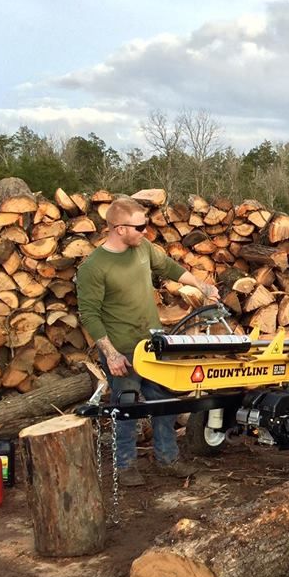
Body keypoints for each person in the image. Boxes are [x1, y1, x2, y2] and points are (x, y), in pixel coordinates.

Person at [77, 198, 220, 486]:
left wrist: (201, 286)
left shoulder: (142, 249)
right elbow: (89, 314)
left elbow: (169, 268)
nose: (145, 230)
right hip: (123, 349)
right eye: (140, 226)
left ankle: (168, 459)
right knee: (127, 407)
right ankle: (126, 466)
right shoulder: (94, 267)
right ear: (119, 228)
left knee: (165, 402)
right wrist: (111, 354)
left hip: (154, 343)